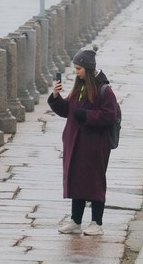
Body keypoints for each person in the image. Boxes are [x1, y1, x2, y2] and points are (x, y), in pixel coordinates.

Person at [48, 46, 119, 237]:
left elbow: (109, 116)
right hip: (75, 142)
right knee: (77, 180)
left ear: (87, 69)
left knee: (95, 181)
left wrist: (86, 115)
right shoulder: (79, 87)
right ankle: (75, 221)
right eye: (75, 68)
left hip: (95, 145)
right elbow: (67, 111)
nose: (75, 72)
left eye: (78, 69)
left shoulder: (105, 90)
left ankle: (96, 222)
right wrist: (55, 97)